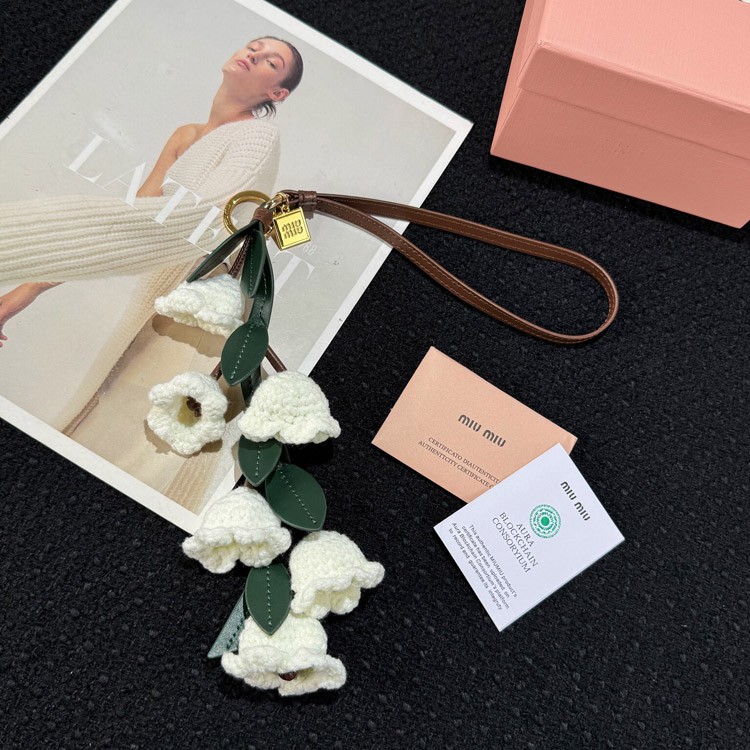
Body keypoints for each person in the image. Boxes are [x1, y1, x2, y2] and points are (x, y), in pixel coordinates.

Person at [0, 36, 303, 348]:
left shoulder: (259, 136)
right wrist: (29, 289)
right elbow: (129, 221)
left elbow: (208, 217)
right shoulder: (185, 135)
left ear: (277, 93)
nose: (253, 55)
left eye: (271, 62)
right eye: (253, 47)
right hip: (156, 292)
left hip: (202, 305)